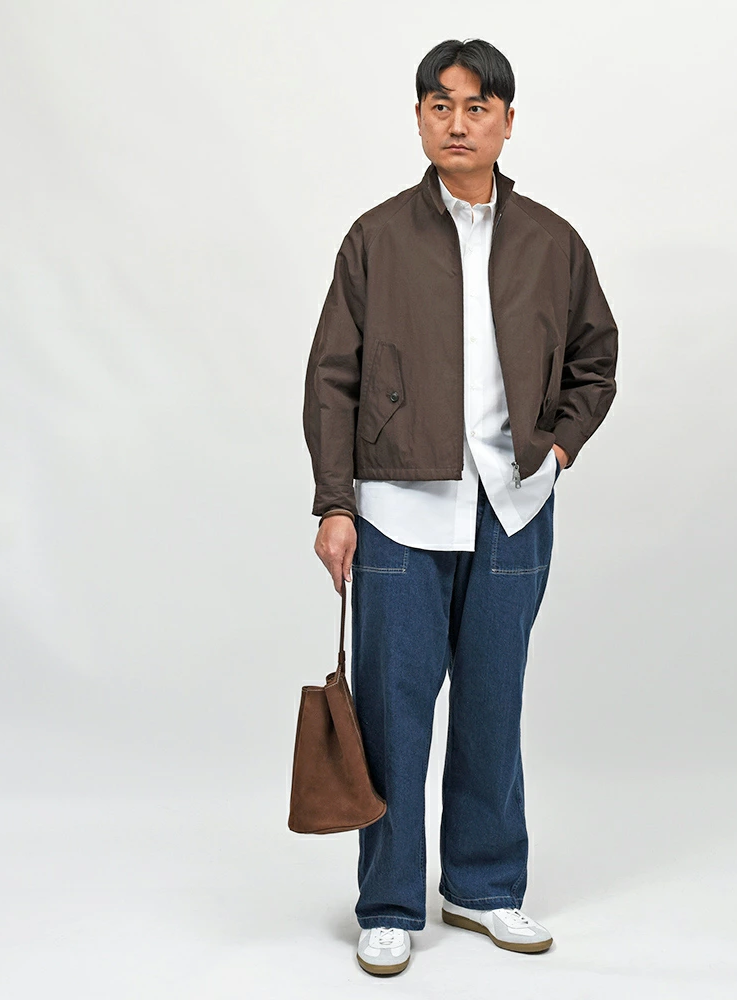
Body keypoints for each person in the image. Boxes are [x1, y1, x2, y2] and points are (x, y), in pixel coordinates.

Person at [303, 37, 618, 976]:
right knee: (393, 713)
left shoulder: (553, 242)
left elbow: (596, 361)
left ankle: (482, 886)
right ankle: (390, 902)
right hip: (397, 508)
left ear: (507, 121)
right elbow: (332, 379)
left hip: (513, 505)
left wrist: (556, 450)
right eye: (439, 105)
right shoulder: (375, 238)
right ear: (418, 118)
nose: (457, 122)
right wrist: (335, 503)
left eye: (477, 106)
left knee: (492, 703)